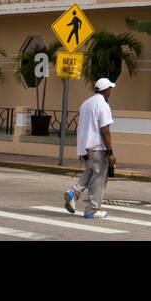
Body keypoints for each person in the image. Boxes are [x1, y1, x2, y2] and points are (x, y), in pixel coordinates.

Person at [63, 77, 117, 219]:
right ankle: (92, 210)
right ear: (105, 89)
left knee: (90, 173)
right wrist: (110, 152)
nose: (111, 90)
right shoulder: (103, 105)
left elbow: (81, 126)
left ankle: (73, 193)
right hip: (97, 147)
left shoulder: (86, 103)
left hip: (84, 147)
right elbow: (105, 130)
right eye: (110, 88)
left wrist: (81, 148)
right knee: (99, 178)